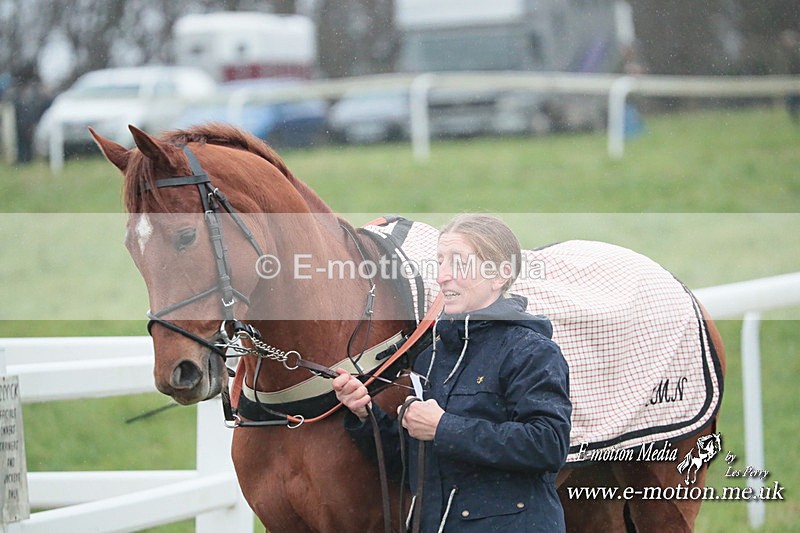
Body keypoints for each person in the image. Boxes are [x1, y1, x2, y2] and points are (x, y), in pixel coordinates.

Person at [333, 214, 572, 532]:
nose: (443, 276)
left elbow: (547, 445)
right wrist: (366, 414)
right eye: (440, 263)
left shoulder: (531, 350)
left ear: (499, 275)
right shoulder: (431, 357)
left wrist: (444, 427)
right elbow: (412, 464)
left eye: (458, 263)